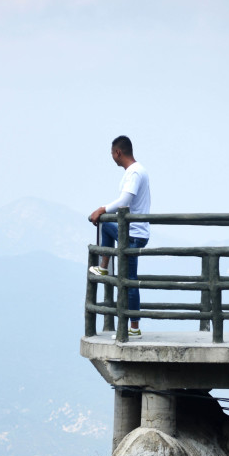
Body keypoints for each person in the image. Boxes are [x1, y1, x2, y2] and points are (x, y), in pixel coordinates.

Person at [88, 135, 151, 338]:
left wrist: (102, 208)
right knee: (106, 223)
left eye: (112, 154)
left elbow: (125, 200)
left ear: (118, 152)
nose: (112, 158)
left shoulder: (133, 173)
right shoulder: (138, 170)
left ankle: (133, 328)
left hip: (133, 233)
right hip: (134, 231)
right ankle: (104, 267)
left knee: (129, 280)